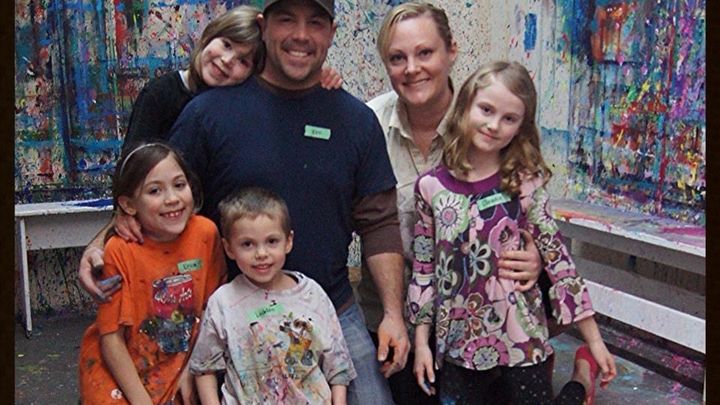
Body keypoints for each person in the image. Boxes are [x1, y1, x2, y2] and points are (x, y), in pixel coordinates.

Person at [168, 0, 409, 403]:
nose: (300, 35)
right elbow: (162, 208)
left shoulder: (355, 121)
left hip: (331, 308)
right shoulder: (209, 114)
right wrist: (106, 240)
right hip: (232, 315)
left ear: (331, 33)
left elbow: (379, 222)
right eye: (286, 20)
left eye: (314, 23)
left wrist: (393, 314)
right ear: (264, 27)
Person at [78, 4, 342, 302]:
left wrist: (319, 76)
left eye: (243, 61)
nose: (227, 61)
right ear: (209, 37)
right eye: (226, 44)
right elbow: (131, 168)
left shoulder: (232, 104)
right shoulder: (162, 94)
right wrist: (120, 217)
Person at [355, 3, 544, 403]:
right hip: (393, 323)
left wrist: (535, 256)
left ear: (451, 51)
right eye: (397, 58)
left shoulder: (488, 121)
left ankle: (579, 377)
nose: (412, 68)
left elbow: (532, 213)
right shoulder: (366, 124)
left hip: (478, 325)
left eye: (425, 53)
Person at [408, 61, 617, 404]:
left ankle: (581, 380)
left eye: (509, 118)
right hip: (459, 346)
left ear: (521, 126)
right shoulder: (430, 187)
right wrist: (421, 344)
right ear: (465, 107)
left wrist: (594, 340)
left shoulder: (524, 183)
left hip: (523, 340)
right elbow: (424, 270)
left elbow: (559, 260)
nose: (494, 125)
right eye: (486, 110)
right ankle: (580, 382)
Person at [77, 142, 227, 404]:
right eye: (155, 190)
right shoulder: (119, 250)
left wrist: (192, 366)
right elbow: (111, 339)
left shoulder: (206, 234)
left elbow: (209, 312)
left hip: (180, 364)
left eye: (179, 185)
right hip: (122, 373)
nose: (172, 198)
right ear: (128, 205)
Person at [189, 187, 356, 404]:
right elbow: (204, 367)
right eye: (247, 244)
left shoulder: (312, 294)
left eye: (271, 241)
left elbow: (338, 365)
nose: (261, 253)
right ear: (228, 248)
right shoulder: (223, 302)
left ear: (288, 241)